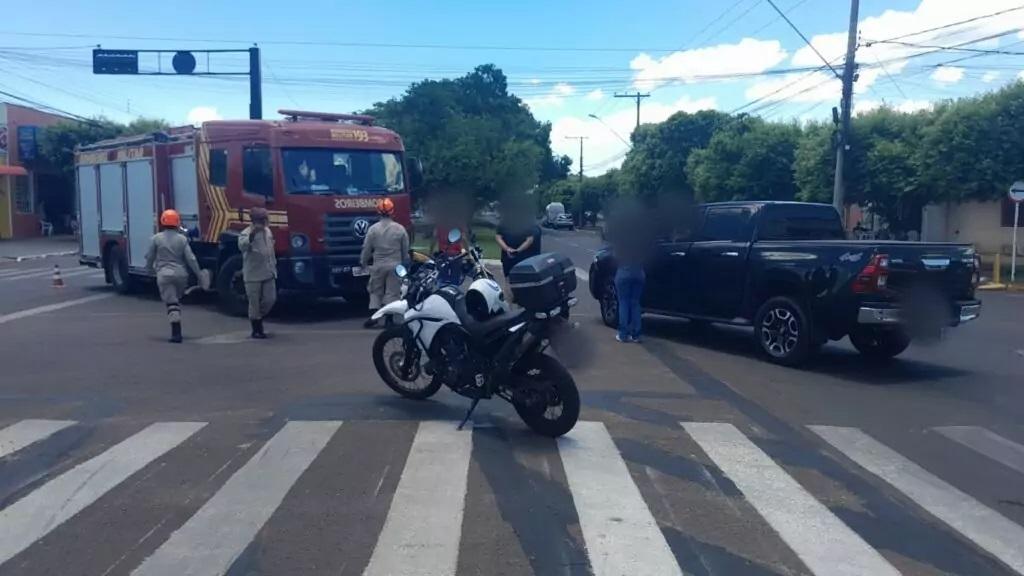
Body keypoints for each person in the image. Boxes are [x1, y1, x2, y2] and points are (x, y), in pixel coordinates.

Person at [145, 209, 202, 343]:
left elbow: (150, 257)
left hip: (164, 274)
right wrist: (199, 274)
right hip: (181, 274)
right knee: (176, 299)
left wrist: (149, 270)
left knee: (172, 303)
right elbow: (191, 259)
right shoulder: (182, 239)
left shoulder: (156, 239)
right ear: (177, 222)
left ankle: (176, 333)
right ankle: (177, 313)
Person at [606, 201, 653, 343]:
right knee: (635, 303)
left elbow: (615, 256)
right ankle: (636, 334)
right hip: (639, 272)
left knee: (623, 302)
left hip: (624, 272)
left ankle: (623, 334)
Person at [359, 198, 409, 328]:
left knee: (375, 290)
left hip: (378, 265)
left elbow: (367, 249)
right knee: (392, 292)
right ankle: (389, 319)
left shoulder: (373, 229)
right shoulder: (400, 229)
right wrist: (404, 266)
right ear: (392, 212)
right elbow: (405, 251)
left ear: (378, 213)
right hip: (395, 265)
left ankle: (375, 316)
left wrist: (363, 263)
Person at [238, 207, 277, 339]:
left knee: (270, 299)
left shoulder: (268, 231)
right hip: (252, 274)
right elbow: (242, 246)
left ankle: (257, 317)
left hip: (268, 271)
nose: (267, 221)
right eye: (264, 219)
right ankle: (256, 328)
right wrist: (253, 234)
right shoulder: (246, 233)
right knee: (253, 302)